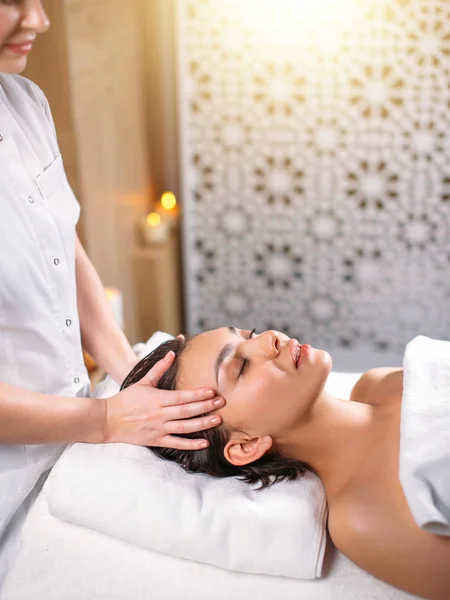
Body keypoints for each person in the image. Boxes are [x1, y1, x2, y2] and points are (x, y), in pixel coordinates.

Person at [0, 0, 224, 587]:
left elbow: (63, 245)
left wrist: (129, 369)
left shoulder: (24, 101)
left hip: (73, 443)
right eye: (8, 2)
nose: (39, 21)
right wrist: (103, 419)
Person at [121, 327, 450, 600]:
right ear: (247, 445)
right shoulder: (362, 516)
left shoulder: (380, 383)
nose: (270, 339)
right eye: (241, 367)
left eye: (248, 334)